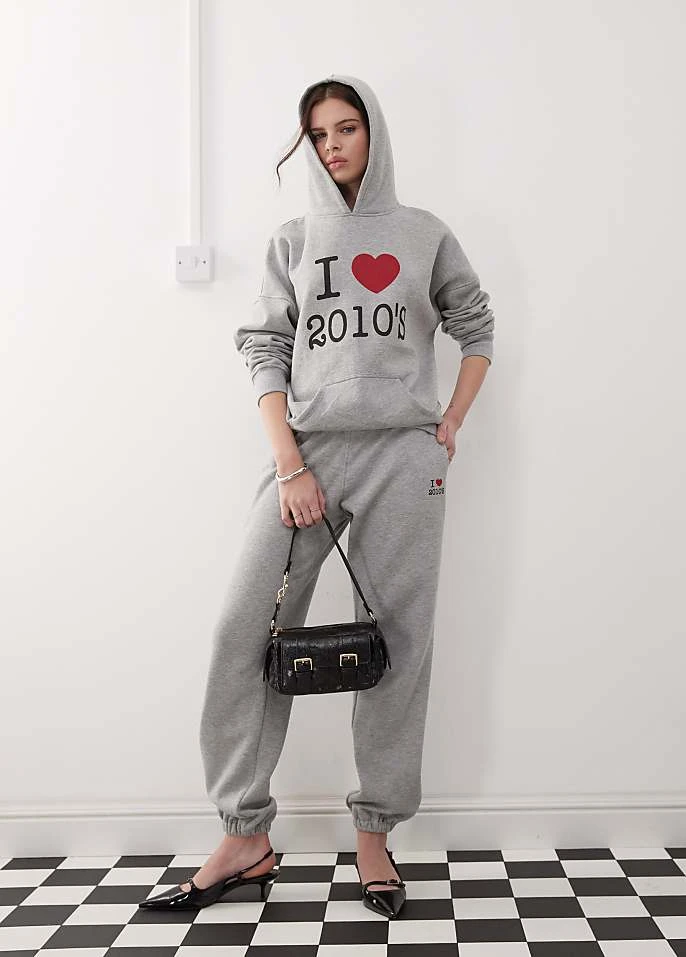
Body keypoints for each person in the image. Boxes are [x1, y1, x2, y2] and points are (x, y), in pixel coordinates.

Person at [139, 73, 494, 920]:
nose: (333, 145)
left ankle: (374, 835)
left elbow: (476, 325)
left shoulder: (423, 233)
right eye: (319, 134)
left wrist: (448, 420)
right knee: (243, 628)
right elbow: (264, 349)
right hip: (310, 456)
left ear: (375, 134)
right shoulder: (293, 240)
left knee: (401, 642)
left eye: (347, 128)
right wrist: (290, 464)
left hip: (405, 457)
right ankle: (244, 835)